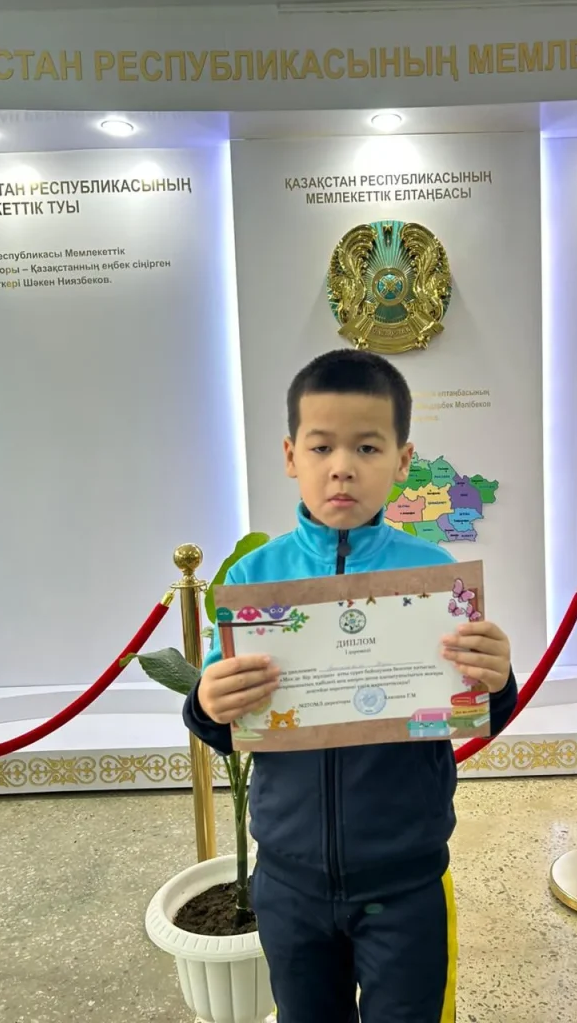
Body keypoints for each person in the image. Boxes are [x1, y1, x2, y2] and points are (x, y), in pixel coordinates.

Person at [183, 348, 518, 1023]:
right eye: (321, 447)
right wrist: (208, 706)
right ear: (291, 456)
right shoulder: (254, 580)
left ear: (402, 460)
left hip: (405, 878)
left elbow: (470, 706)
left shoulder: (432, 577)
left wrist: (496, 679)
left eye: (367, 447)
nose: (342, 466)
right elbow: (229, 723)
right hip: (288, 878)